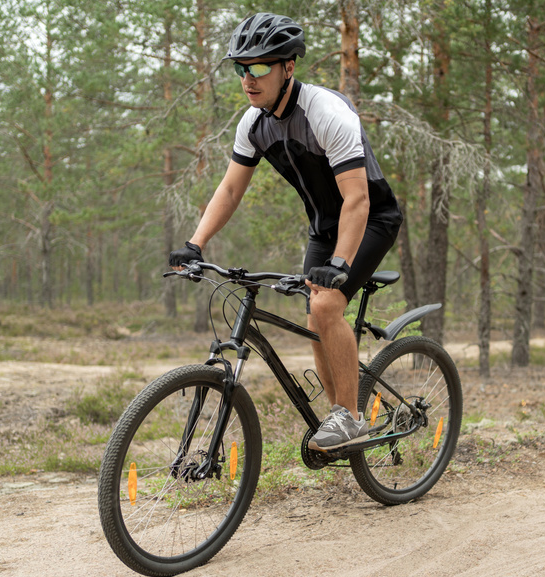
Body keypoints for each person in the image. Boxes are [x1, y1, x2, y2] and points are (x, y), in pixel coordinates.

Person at [168, 13, 403, 452]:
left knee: (328, 302)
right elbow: (231, 188)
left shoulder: (326, 113)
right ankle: (340, 421)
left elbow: (358, 200)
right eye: (241, 68)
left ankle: (350, 418)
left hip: (370, 219)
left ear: (288, 68)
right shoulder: (253, 124)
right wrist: (194, 244)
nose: (248, 79)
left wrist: (339, 263)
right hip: (323, 228)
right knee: (314, 316)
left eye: (259, 67)